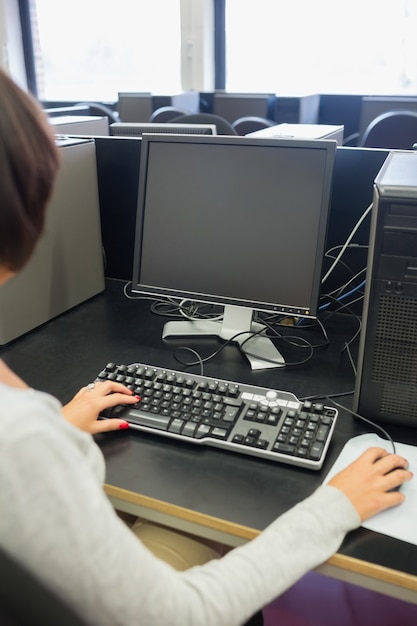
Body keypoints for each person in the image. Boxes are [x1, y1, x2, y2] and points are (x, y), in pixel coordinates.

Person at [0, 67, 413, 626]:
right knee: (192, 526)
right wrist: (337, 504)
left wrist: (60, 429)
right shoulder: (20, 437)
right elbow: (184, 615)